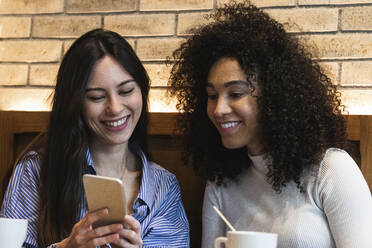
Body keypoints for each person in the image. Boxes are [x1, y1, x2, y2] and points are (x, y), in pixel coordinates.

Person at [168, 2, 372, 248]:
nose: (219, 109)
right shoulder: (220, 185)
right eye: (212, 96)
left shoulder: (330, 171)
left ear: (274, 96)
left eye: (235, 94)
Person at [1, 29, 189, 248]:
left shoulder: (163, 188)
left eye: (126, 91)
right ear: (75, 103)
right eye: (97, 97)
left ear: (142, 91)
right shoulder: (35, 170)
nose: (115, 108)